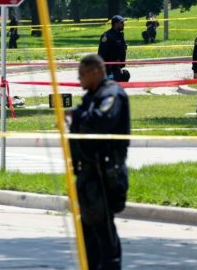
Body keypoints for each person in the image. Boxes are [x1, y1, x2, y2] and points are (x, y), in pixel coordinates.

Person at [68, 54, 130, 270]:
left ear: (95, 72)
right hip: (87, 175)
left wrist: (77, 117)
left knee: (104, 232)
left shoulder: (111, 94)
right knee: (89, 235)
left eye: (82, 75)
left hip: (104, 174)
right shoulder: (92, 96)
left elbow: (99, 121)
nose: (79, 80)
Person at [98, 15, 130, 82]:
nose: (123, 24)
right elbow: (101, 53)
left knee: (125, 75)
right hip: (109, 68)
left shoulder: (119, 35)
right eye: (121, 23)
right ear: (115, 24)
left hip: (117, 67)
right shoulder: (107, 36)